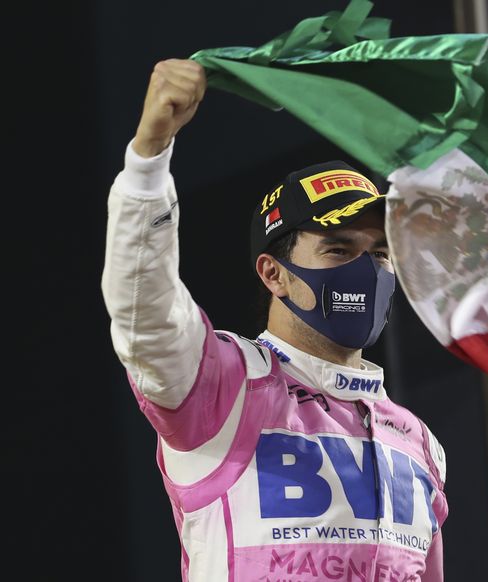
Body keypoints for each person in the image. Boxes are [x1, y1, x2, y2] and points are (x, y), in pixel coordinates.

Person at [102, 58, 448, 581]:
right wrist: (148, 160)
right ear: (274, 274)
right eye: (337, 249)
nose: (366, 269)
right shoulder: (221, 387)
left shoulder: (418, 442)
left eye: (379, 253)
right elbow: (145, 312)